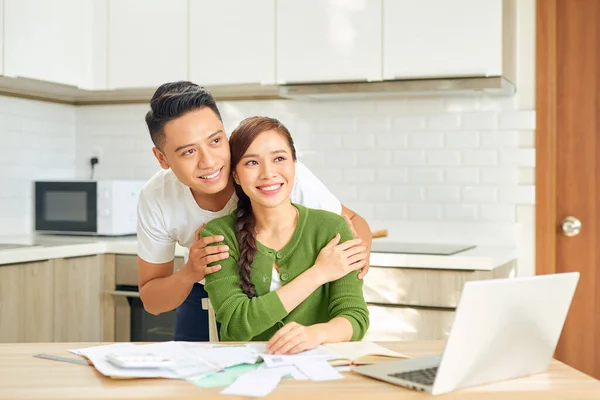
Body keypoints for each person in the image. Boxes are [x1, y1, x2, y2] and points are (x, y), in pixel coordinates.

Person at [137, 81, 372, 342]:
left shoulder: (277, 174)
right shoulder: (157, 197)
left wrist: (352, 260)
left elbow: (351, 222)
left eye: (215, 141)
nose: (209, 161)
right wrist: (191, 272)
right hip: (206, 292)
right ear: (162, 158)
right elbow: (153, 301)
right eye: (189, 151)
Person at [203, 116, 369, 354]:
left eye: (279, 158)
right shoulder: (218, 235)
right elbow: (237, 324)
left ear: (294, 165)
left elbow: (355, 316)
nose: (268, 173)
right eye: (251, 163)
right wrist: (317, 274)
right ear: (236, 175)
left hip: (319, 369)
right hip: (246, 371)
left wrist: (317, 334)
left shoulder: (332, 228)